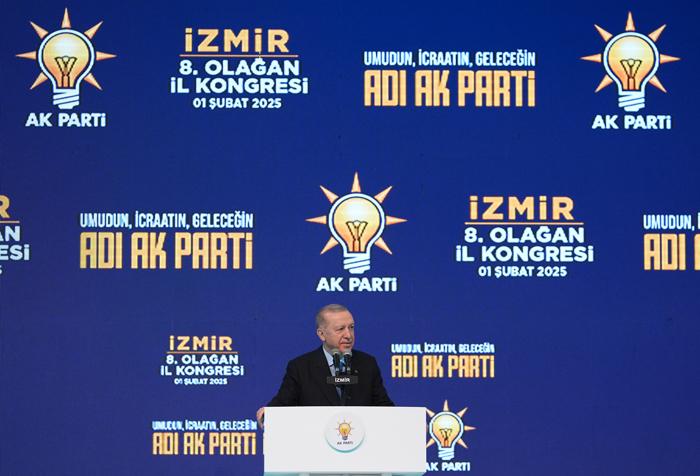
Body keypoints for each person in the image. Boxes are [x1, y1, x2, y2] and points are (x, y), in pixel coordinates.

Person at [256, 304, 393, 426]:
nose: (348, 335)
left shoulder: (367, 364)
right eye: (340, 329)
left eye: (351, 327)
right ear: (321, 334)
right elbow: (283, 403)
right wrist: (269, 414)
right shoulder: (300, 367)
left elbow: (384, 407)